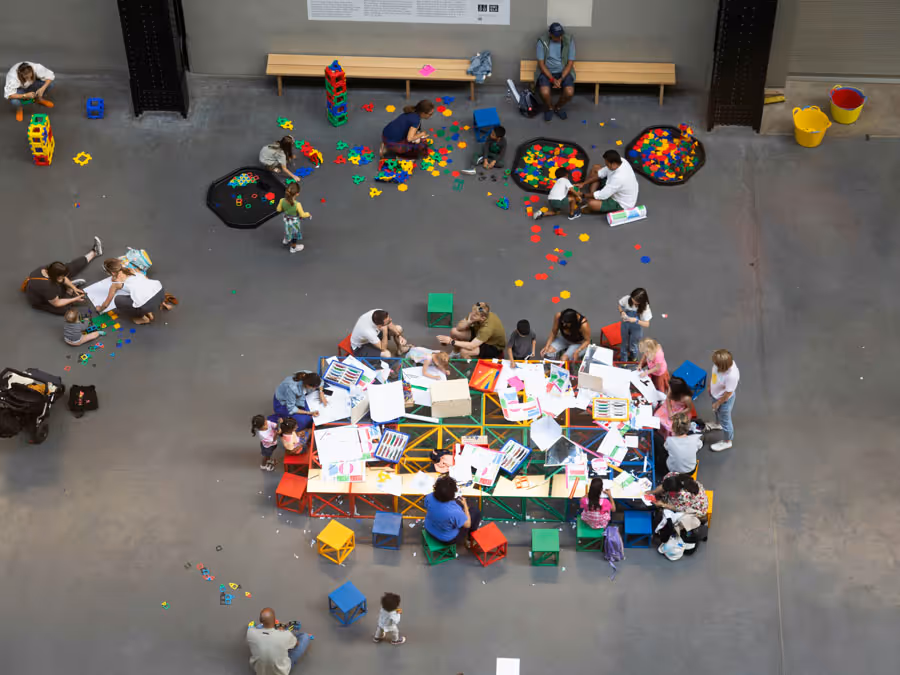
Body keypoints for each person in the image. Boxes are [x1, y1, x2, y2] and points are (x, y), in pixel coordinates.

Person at [22, 237, 103, 314]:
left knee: (70, 267)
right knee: (65, 310)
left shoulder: (48, 269)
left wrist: (73, 287)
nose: (65, 278)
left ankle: (94, 252)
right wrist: (75, 299)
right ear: (56, 277)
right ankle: (67, 291)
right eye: (62, 277)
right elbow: (57, 303)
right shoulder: (49, 287)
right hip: (41, 300)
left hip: (48, 286)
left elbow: (63, 277)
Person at [97, 259, 174, 325]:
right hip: (160, 293)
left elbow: (106, 304)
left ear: (113, 273)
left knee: (118, 300)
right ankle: (163, 305)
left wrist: (99, 309)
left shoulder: (116, 284)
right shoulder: (132, 269)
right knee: (145, 289)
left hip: (148, 305)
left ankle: (144, 319)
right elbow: (147, 280)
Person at [246, 607, 312, 675]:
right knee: (305, 637)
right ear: (275, 621)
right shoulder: (286, 635)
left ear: (260, 620)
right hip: (281, 672)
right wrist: (283, 632)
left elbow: (258, 628)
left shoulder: (250, 632)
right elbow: (296, 644)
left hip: (260, 671)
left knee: (259, 627)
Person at [424, 474, 481, 546]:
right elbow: (467, 524)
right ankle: (469, 540)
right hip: (447, 539)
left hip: (429, 528)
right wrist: (465, 505)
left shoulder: (429, 497)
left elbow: (427, 507)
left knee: (458, 509)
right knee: (475, 512)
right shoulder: (454, 511)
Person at [534, 22, 576, 121]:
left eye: (560, 35)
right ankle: (550, 108)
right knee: (544, 92)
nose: (559, 38)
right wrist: (552, 80)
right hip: (547, 71)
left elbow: (570, 63)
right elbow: (541, 64)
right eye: (556, 36)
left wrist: (560, 79)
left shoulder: (568, 40)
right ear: (550, 34)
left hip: (563, 71)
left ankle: (558, 107)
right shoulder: (542, 41)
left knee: (569, 92)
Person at [578, 150, 639, 215]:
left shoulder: (618, 178)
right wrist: (583, 183)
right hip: (614, 187)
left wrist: (583, 195)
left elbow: (602, 195)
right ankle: (591, 195)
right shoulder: (621, 160)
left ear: (613, 164)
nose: (606, 166)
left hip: (621, 202)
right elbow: (601, 173)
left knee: (591, 203)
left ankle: (590, 200)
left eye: (607, 164)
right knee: (596, 167)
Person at [437, 302, 505, 359]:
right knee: (454, 331)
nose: (472, 315)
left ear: (482, 318)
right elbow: (458, 328)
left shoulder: (487, 328)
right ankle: (456, 353)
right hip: (479, 334)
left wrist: (451, 341)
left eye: (474, 315)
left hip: (492, 345)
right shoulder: (477, 313)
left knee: (464, 351)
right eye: (472, 312)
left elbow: (471, 345)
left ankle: (468, 369)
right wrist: (468, 322)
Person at [709, 349, 740, 452]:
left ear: (722, 366)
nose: (714, 364)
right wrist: (710, 387)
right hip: (716, 395)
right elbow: (714, 375)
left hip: (723, 400)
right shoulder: (718, 365)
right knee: (717, 413)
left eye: (716, 363)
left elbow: (728, 394)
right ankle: (718, 424)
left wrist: (718, 403)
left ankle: (727, 441)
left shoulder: (732, 376)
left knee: (726, 421)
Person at [617, 288, 651, 362]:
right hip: (625, 324)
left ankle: (633, 358)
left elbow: (647, 324)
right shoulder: (627, 298)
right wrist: (622, 312)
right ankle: (624, 361)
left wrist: (636, 320)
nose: (633, 302)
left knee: (633, 345)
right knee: (624, 344)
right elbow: (619, 305)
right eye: (632, 299)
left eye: (636, 302)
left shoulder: (645, 307)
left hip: (636, 327)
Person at [277, 183, 310, 254]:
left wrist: (285, 208)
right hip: (294, 222)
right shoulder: (297, 204)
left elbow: (278, 210)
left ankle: (286, 239)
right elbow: (302, 215)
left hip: (286, 219)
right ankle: (293, 248)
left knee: (287, 229)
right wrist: (308, 214)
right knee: (294, 234)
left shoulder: (282, 200)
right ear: (297, 194)